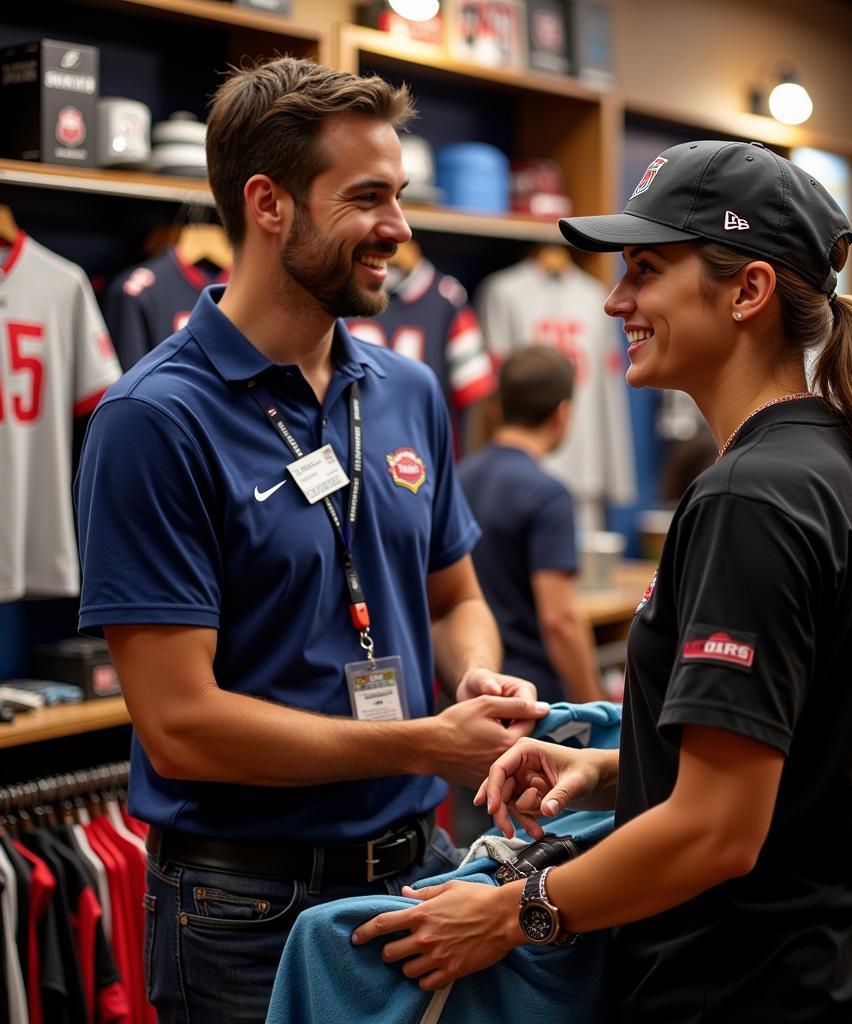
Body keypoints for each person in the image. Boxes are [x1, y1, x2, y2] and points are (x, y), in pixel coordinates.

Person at [353, 139, 852, 1023]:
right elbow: (805, 754)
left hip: (762, 990)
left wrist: (514, 914)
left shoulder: (751, 495)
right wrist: (613, 770)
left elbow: (716, 832)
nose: (613, 299)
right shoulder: (831, 456)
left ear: (747, 291)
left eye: (646, 270)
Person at [74, 58, 547, 1024]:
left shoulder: (406, 391)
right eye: (367, 198)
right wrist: (423, 744)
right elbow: (180, 726)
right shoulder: (154, 420)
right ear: (269, 204)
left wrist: (475, 680)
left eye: (400, 197)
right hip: (246, 912)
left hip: (420, 873)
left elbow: (457, 598)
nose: (402, 230)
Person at [458, 345, 604, 705]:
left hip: (464, 684)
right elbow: (560, 620)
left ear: (496, 407)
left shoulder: (454, 479)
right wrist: (595, 705)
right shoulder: (547, 495)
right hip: (530, 697)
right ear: (562, 414)